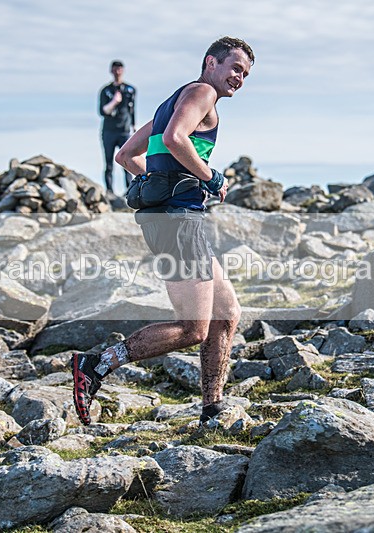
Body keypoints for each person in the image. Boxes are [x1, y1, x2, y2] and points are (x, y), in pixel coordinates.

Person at [73, 37, 255, 425]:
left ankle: (211, 408)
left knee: (226, 313)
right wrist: (210, 178)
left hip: (171, 218)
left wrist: (163, 181)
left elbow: (125, 155)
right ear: (211, 62)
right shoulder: (202, 92)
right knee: (193, 328)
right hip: (179, 222)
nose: (239, 77)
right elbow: (175, 140)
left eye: (245, 73)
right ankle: (97, 365)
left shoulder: (170, 104)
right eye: (235, 68)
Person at [99, 60, 136, 194]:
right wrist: (114, 101)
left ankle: (130, 190)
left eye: (119, 69)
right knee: (108, 163)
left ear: (123, 70)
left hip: (124, 130)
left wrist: (134, 126)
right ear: (111, 71)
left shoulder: (130, 90)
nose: (117, 72)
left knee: (127, 160)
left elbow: (132, 110)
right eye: (115, 69)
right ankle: (110, 191)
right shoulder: (105, 91)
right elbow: (102, 111)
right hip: (109, 130)